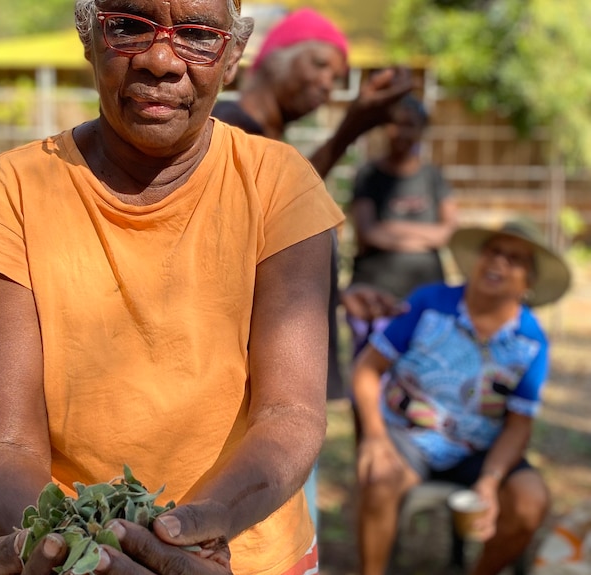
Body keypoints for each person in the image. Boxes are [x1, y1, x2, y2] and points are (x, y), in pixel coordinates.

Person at [0, 0, 345, 573]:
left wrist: (197, 528)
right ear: (88, 40)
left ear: (231, 57)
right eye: (129, 26)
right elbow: (6, 446)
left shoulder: (279, 185)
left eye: (198, 35)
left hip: (247, 553)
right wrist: (66, 544)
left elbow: (290, 414)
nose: (160, 60)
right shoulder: (15, 193)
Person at [212, 6, 412, 529]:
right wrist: (350, 130)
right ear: (273, 55)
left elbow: (268, 255)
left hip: (291, 403)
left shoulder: (277, 146)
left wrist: (335, 295)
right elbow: (272, 208)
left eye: (338, 79)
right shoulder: (226, 129)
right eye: (321, 65)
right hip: (250, 408)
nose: (329, 84)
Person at [352, 219, 571, 575]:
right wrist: (375, 438)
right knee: (380, 478)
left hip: (479, 449)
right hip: (410, 436)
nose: (498, 262)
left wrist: (491, 479)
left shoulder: (531, 342)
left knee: (531, 501)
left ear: (528, 282)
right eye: (493, 251)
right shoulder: (431, 303)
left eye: (514, 259)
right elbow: (367, 369)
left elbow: (519, 425)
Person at [347, 94, 457, 357]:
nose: (402, 132)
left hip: (425, 298)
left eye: (411, 125)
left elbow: (446, 233)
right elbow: (368, 233)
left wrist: (391, 228)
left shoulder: (434, 177)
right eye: (396, 124)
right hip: (374, 297)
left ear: (422, 130)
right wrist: (423, 238)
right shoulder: (369, 176)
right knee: (370, 375)